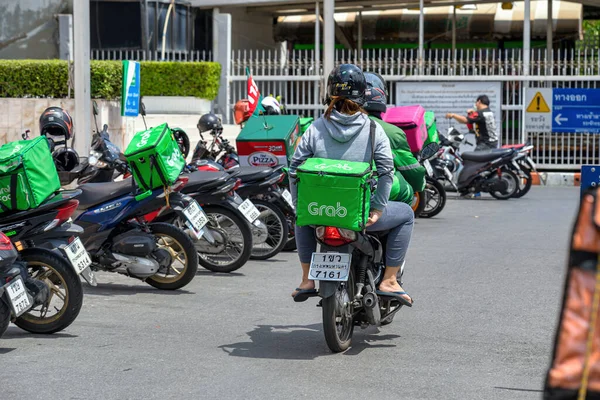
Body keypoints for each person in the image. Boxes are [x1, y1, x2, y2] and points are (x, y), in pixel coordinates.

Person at [288, 64, 415, 306]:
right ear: (363, 95)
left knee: (302, 216)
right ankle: (389, 280)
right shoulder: (374, 129)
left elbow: (295, 170)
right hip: (359, 214)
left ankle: (306, 279)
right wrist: (376, 210)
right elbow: (387, 172)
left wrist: (299, 205)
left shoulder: (315, 128)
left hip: (321, 212)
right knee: (407, 214)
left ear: (329, 94)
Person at [363, 71, 426, 206]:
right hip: (371, 193)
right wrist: (418, 185)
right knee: (406, 193)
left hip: (331, 195)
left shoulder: (323, 127)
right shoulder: (391, 132)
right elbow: (411, 170)